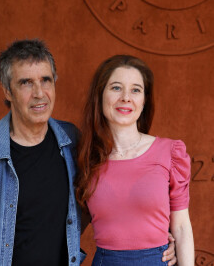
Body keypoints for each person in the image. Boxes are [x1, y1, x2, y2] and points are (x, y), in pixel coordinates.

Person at [0, 40, 176, 266]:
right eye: (25, 83)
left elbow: (112, 196)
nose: (39, 93)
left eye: (46, 80)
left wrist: (157, 241)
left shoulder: (74, 142)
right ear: (7, 91)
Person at [75, 55, 194, 266]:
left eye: (136, 90)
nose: (126, 98)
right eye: (116, 88)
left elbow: (182, 226)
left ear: (144, 100)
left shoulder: (170, 152)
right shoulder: (85, 157)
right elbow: (68, 222)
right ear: (100, 95)